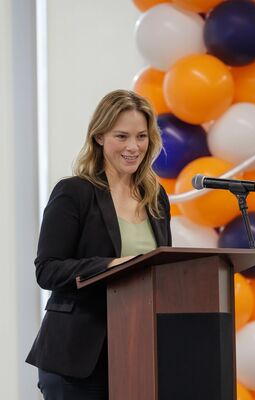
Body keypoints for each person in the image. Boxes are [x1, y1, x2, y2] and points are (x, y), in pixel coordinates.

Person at [26, 89, 172, 399]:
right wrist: (109, 266)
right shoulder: (73, 193)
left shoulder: (156, 198)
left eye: (141, 136)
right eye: (122, 136)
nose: (133, 147)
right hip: (76, 358)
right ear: (99, 137)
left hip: (137, 351)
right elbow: (47, 270)